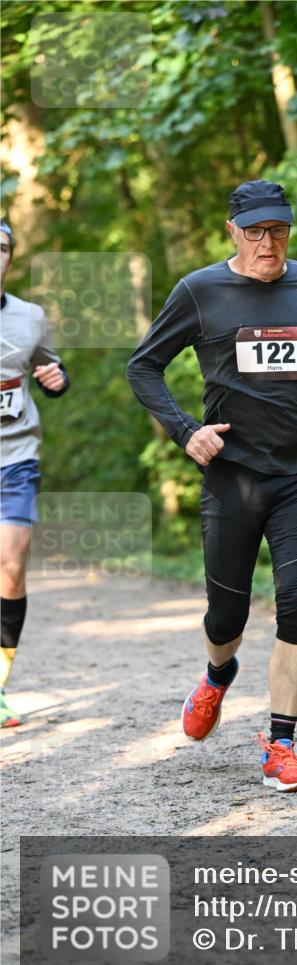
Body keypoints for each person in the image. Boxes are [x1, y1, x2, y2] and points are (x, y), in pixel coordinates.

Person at [127, 180, 297, 792]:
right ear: (232, 230)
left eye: (277, 231)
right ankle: (216, 675)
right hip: (232, 478)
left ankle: (280, 746)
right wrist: (185, 432)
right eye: (254, 231)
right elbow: (143, 365)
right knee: (226, 614)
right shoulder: (201, 291)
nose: (268, 243)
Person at [0, 220, 70, 728]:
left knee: (10, 565)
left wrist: (56, 378)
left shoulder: (30, 316)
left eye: (1, 248)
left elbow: (52, 372)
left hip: (15, 455)